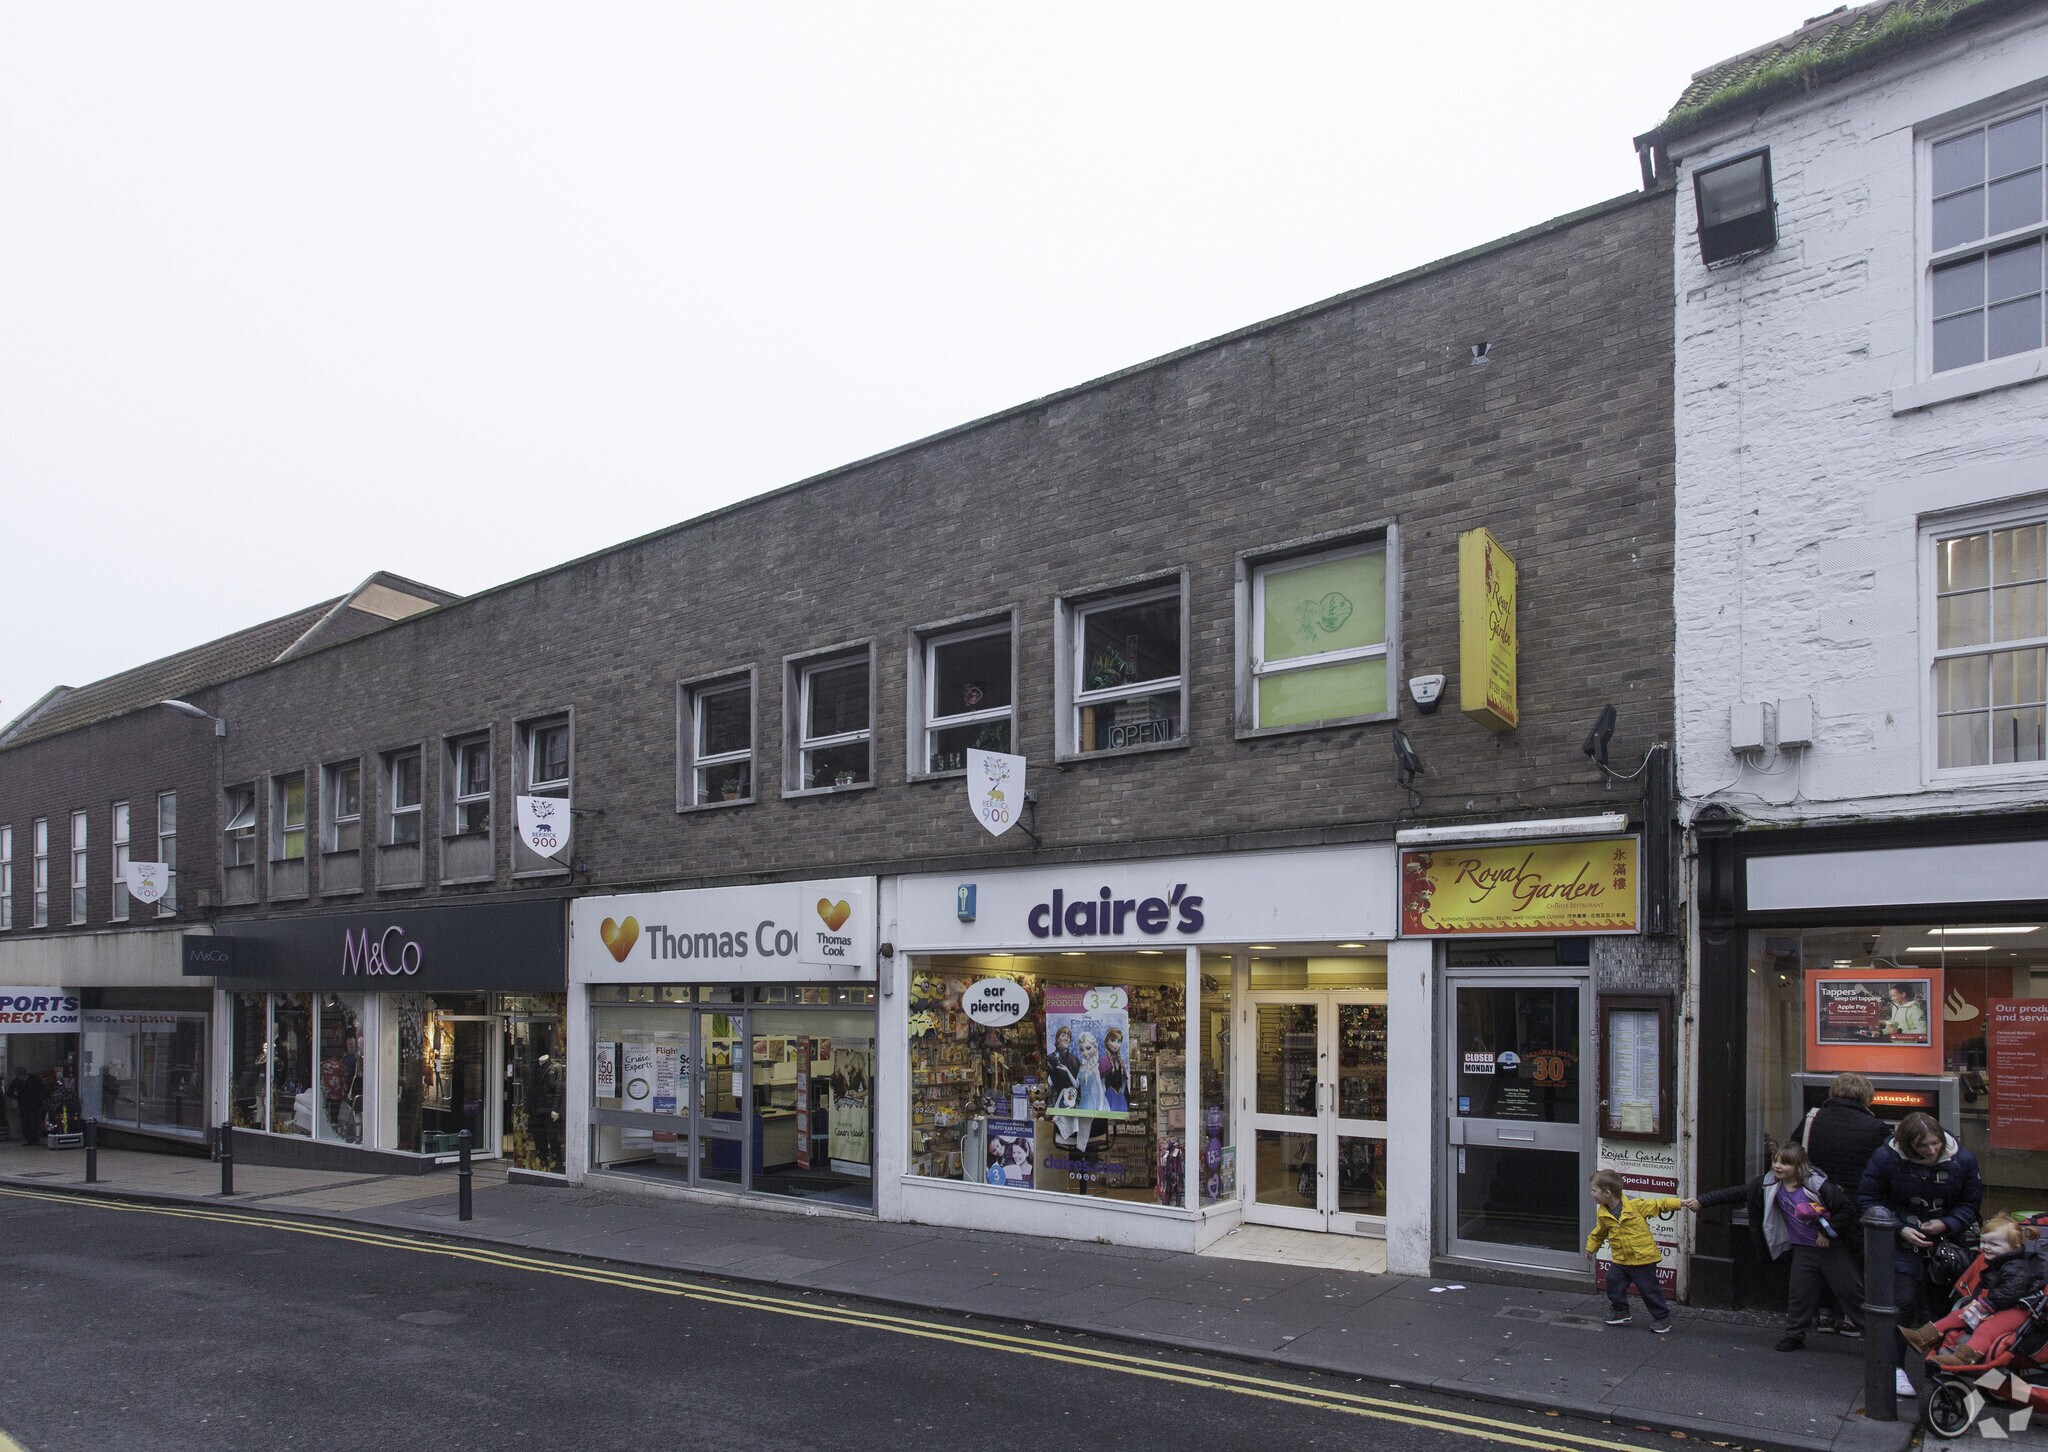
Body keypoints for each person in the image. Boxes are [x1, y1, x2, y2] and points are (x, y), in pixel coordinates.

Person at [1687, 1142, 1863, 1350]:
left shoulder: (1818, 1186)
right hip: (1803, 1249)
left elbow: (1847, 1210)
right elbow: (1736, 1193)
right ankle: (1794, 1335)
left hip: (1831, 1248)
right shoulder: (1769, 1184)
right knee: (1799, 1293)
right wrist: (1702, 1201)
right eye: (1775, 1161)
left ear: (1799, 1167)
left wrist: (1826, 1232)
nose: (1778, 1166)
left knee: (1851, 1293)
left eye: (1785, 1163)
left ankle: (1877, 1336)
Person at [1859, 1110, 1983, 1400]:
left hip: (1945, 1243)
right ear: (1905, 1145)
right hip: (1902, 1240)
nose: (1931, 1151)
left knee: (1944, 1306)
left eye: (1935, 1144)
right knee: (1901, 1302)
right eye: (1923, 1146)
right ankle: (1895, 1366)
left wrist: (1948, 1223)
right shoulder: (1886, 1157)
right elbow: (1868, 1199)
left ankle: (1940, 1364)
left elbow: (1970, 1201)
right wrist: (1900, 1227)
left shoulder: (1962, 1159)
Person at [1788, 1071, 1891, 1331]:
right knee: (1852, 1260)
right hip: (1855, 1202)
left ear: (1834, 1093)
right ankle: (1849, 1318)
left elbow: (1794, 1154)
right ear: (1867, 1099)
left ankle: (1823, 1314)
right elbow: (1885, 1168)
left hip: (1814, 1200)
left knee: (1818, 1254)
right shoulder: (1877, 1128)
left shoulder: (1812, 1119)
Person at [1902, 1215, 2046, 1367]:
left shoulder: (2017, 1268)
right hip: (1998, 1304)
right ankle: (1921, 1337)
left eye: (1994, 1244)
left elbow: (2009, 1293)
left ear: (2015, 1247)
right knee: (1958, 1315)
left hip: (2018, 1310)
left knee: (1987, 1329)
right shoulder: (1998, 1262)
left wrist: (1985, 1304)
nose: (1986, 1247)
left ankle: (1964, 1358)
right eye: (1983, 1242)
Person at [1586, 1169, 1681, 1333]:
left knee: (1649, 1290)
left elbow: (1660, 1205)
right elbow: (1600, 1231)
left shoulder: (1635, 1205)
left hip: (1643, 1259)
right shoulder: (1603, 1212)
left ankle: (1662, 1318)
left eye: (1594, 1190)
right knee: (1612, 1281)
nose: (1591, 1193)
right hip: (1621, 1259)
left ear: (1607, 1193)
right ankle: (1620, 1311)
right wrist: (1591, 1247)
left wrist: (1682, 1203)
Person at [10, 1068, 48, 1147]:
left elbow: (42, 1089)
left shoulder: (34, 1079)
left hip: (34, 1104)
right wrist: (18, 1098)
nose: (18, 1077)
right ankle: (28, 1139)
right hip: (23, 1105)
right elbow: (9, 1092)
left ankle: (35, 1139)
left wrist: (41, 1100)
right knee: (25, 1122)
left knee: (33, 1121)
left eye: (19, 1075)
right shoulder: (17, 1081)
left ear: (24, 1074)